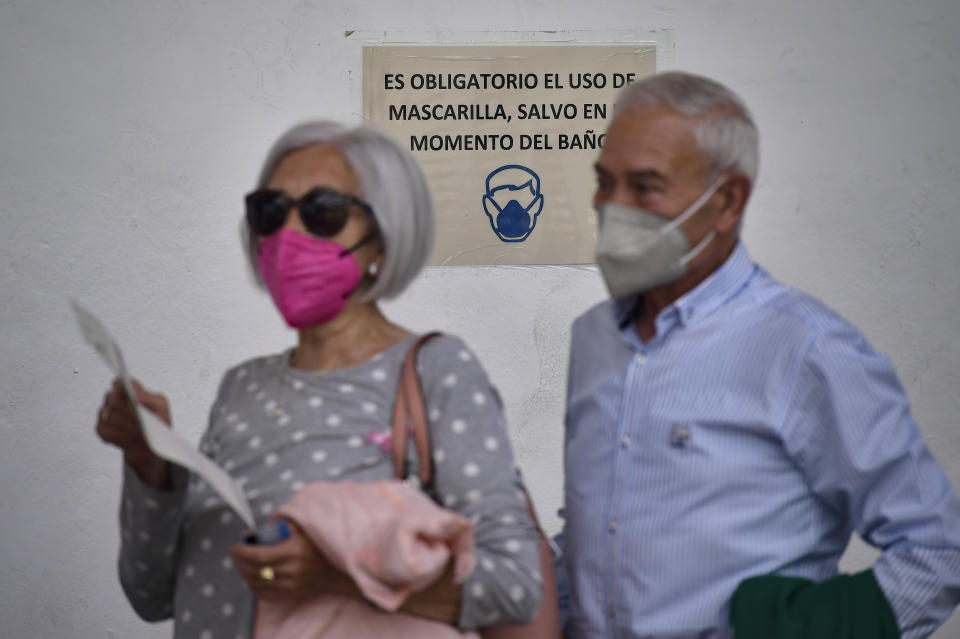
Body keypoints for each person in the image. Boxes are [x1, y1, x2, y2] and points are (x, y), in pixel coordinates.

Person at [95, 121, 544, 638]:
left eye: (322, 212)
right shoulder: (241, 387)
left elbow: (514, 585)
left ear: (383, 240)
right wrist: (150, 463)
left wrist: (337, 576)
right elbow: (150, 595)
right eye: (269, 211)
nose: (289, 235)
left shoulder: (435, 370)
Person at [561, 71, 960, 638]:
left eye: (645, 187)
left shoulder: (807, 350)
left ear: (727, 200)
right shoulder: (594, 338)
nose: (612, 207)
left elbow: (938, 549)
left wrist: (806, 630)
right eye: (605, 182)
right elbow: (598, 538)